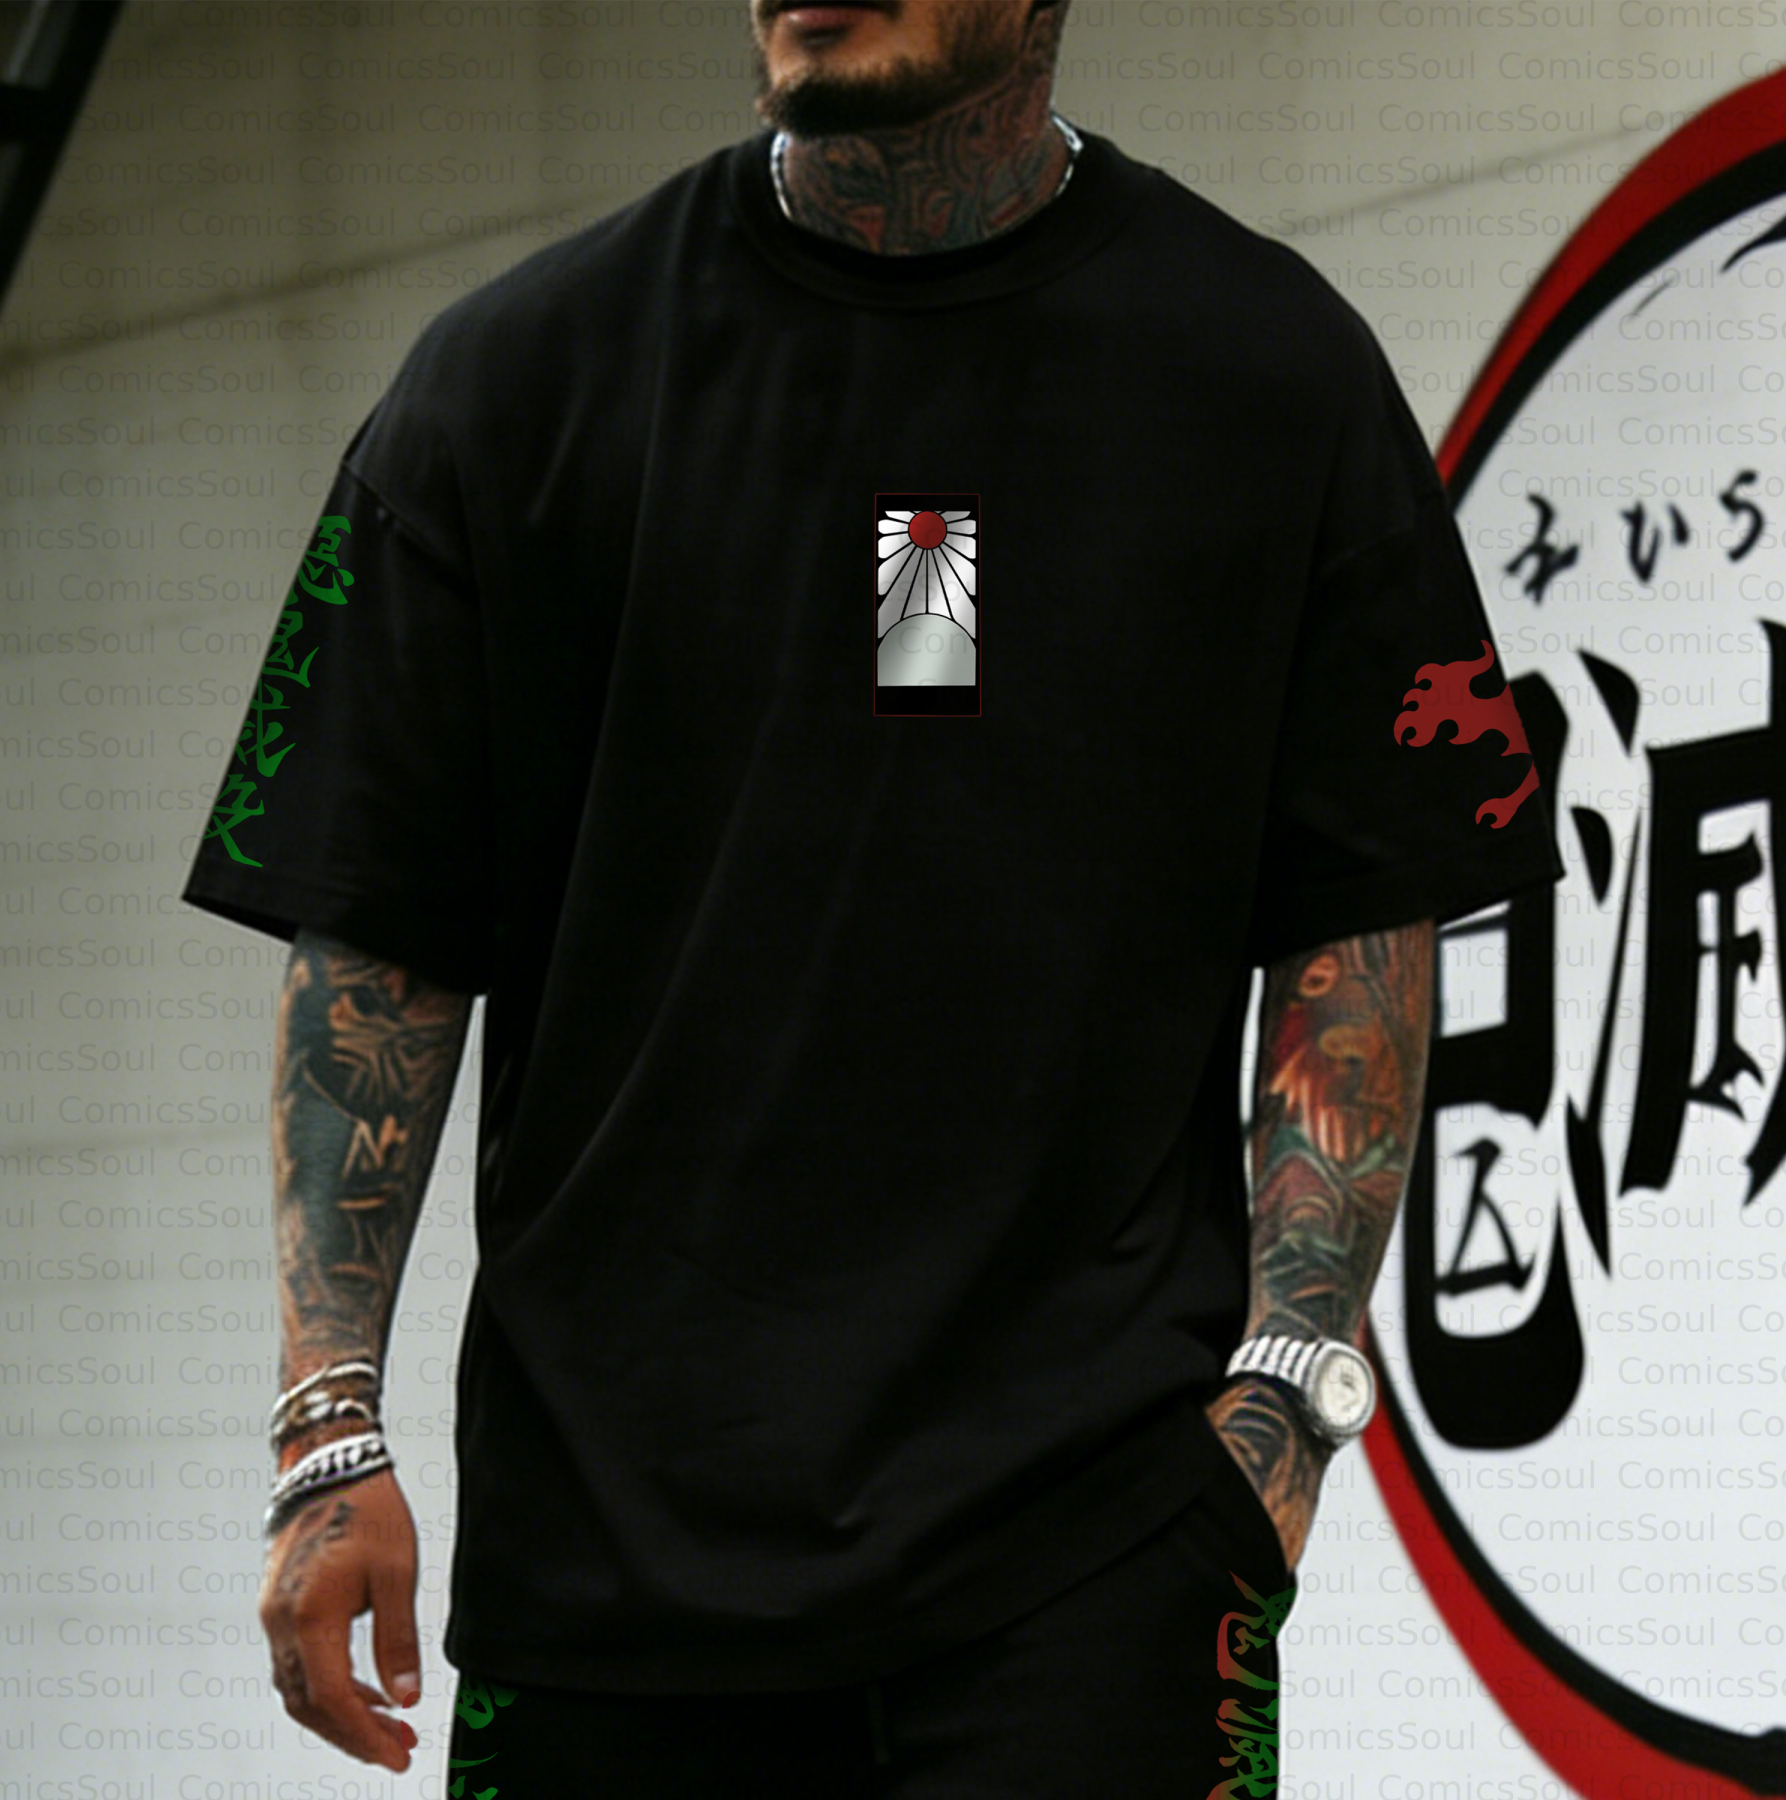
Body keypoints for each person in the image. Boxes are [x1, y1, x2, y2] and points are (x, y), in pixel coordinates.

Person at [180, 0, 1563, 1788]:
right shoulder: (510, 386)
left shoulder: (1268, 374)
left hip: (1101, 1583)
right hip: (601, 1588)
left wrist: (1285, 1408)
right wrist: (326, 1431)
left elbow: (1363, 913)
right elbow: (376, 934)